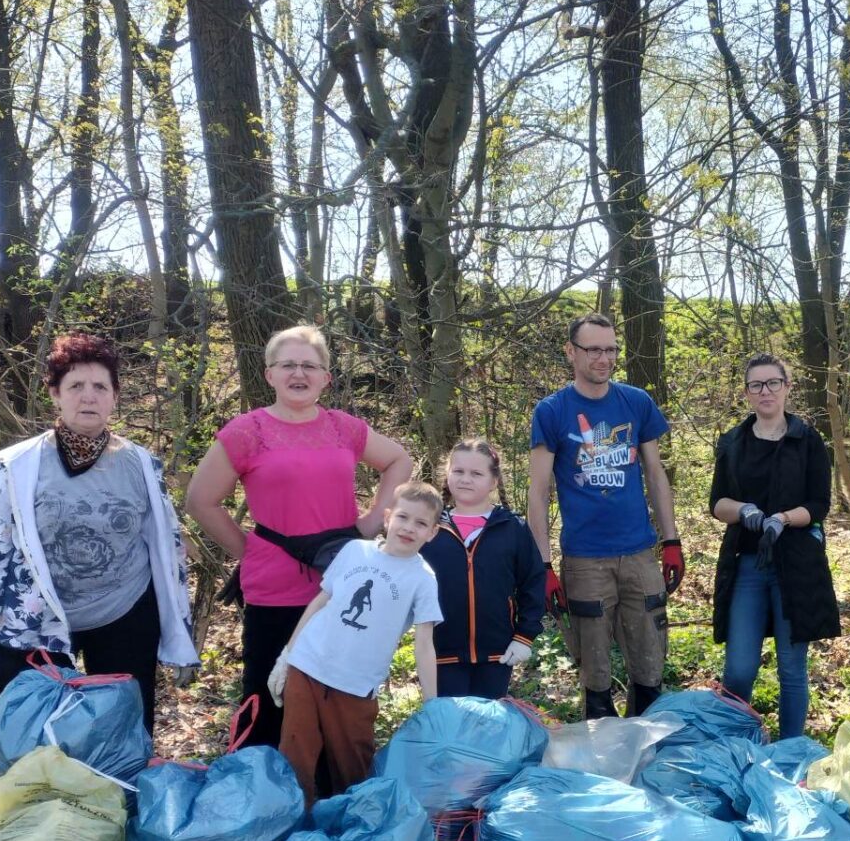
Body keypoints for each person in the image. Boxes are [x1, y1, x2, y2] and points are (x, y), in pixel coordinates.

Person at [185, 324, 413, 749]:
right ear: (269, 374)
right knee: (268, 697)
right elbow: (201, 501)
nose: (299, 373)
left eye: (310, 365)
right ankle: (263, 794)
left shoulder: (344, 427)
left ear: (327, 377)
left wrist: (371, 521)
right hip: (274, 589)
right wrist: (249, 550)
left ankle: (328, 795)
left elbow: (399, 460)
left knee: (334, 699)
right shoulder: (245, 431)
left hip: (340, 587)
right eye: (287, 364)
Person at [0, 332, 198, 735]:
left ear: (114, 396)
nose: (88, 396)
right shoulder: (20, 466)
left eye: (100, 387)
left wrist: (180, 631)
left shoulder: (141, 465)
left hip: (124, 614)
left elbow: (167, 549)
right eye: (75, 386)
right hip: (35, 622)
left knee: (120, 737)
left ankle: (117, 798)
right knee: (27, 737)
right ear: (55, 394)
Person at [527, 311, 682, 720]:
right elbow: (539, 493)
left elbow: (655, 474)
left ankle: (646, 756)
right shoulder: (552, 411)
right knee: (594, 676)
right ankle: (603, 766)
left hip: (638, 554)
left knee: (650, 669)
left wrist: (672, 542)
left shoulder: (636, 402)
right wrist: (541, 564)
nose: (604, 358)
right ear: (570, 352)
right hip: (585, 560)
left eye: (611, 349)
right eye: (593, 349)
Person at [270, 480, 443, 806]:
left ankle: (352, 834)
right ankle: (295, 831)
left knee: (351, 768)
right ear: (388, 517)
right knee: (296, 755)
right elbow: (320, 602)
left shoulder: (422, 578)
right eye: (403, 517)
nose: (409, 528)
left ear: (432, 533)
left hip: (355, 685)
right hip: (307, 666)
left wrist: (432, 703)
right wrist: (287, 655)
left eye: (421, 523)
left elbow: (424, 645)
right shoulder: (354, 551)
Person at [708, 354, 840, 738]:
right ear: (747, 392)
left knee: (791, 669)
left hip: (795, 565)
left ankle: (789, 751)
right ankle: (736, 745)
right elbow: (717, 502)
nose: (765, 391)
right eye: (756, 385)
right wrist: (744, 510)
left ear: (787, 387)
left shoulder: (808, 440)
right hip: (747, 563)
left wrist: (783, 519)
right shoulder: (732, 442)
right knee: (738, 669)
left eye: (773, 383)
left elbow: (820, 505)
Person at [423, 438, 547, 700]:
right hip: (443, 652)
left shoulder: (512, 528)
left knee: (487, 726)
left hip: (497, 653)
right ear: (447, 475)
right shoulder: (430, 529)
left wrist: (524, 635)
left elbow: (533, 582)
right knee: (453, 727)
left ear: (493, 481)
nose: (465, 479)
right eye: (458, 471)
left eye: (476, 473)